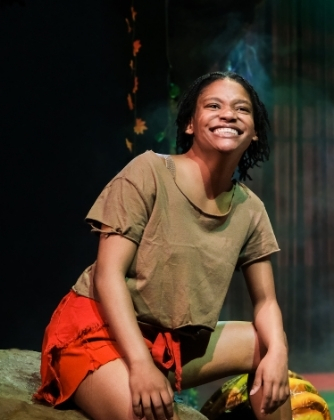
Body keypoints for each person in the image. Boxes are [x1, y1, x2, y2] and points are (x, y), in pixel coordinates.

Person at [35, 71, 291, 420]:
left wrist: (278, 352)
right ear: (189, 124)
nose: (228, 114)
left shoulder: (250, 208)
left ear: (255, 130)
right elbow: (108, 276)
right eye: (213, 105)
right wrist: (140, 365)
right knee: (146, 413)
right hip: (100, 332)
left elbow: (266, 303)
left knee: (266, 346)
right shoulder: (149, 172)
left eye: (241, 109)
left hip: (171, 343)